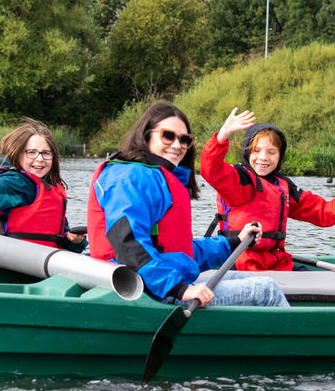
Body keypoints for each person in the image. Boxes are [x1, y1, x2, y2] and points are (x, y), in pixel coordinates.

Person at [88, 100, 288, 307]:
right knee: (267, 291)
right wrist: (179, 290)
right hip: (144, 289)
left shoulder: (154, 177)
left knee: (263, 281)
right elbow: (128, 243)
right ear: (146, 134)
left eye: (184, 139)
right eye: (168, 135)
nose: (177, 145)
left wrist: (234, 241)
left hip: (162, 281)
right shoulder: (129, 178)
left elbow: (181, 252)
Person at [200, 107, 335, 271]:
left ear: (280, 155)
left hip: (276, 261)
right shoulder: (239, 180)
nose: (263, 158)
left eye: (271, 152)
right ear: (247, 153)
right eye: (257, 151)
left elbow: (321, 211)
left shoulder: (282, 186)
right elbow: (211, 169)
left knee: (307, 281)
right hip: (241, 261)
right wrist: (222, 136)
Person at [0, 117, 85, 252]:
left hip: (44, 263)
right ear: (17, 154)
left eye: (45, 153)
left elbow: (59, 238)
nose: (39, 159)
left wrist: (74, 241)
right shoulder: (14, 182)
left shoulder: (52, 190)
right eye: (31, 152)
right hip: (12, 260)